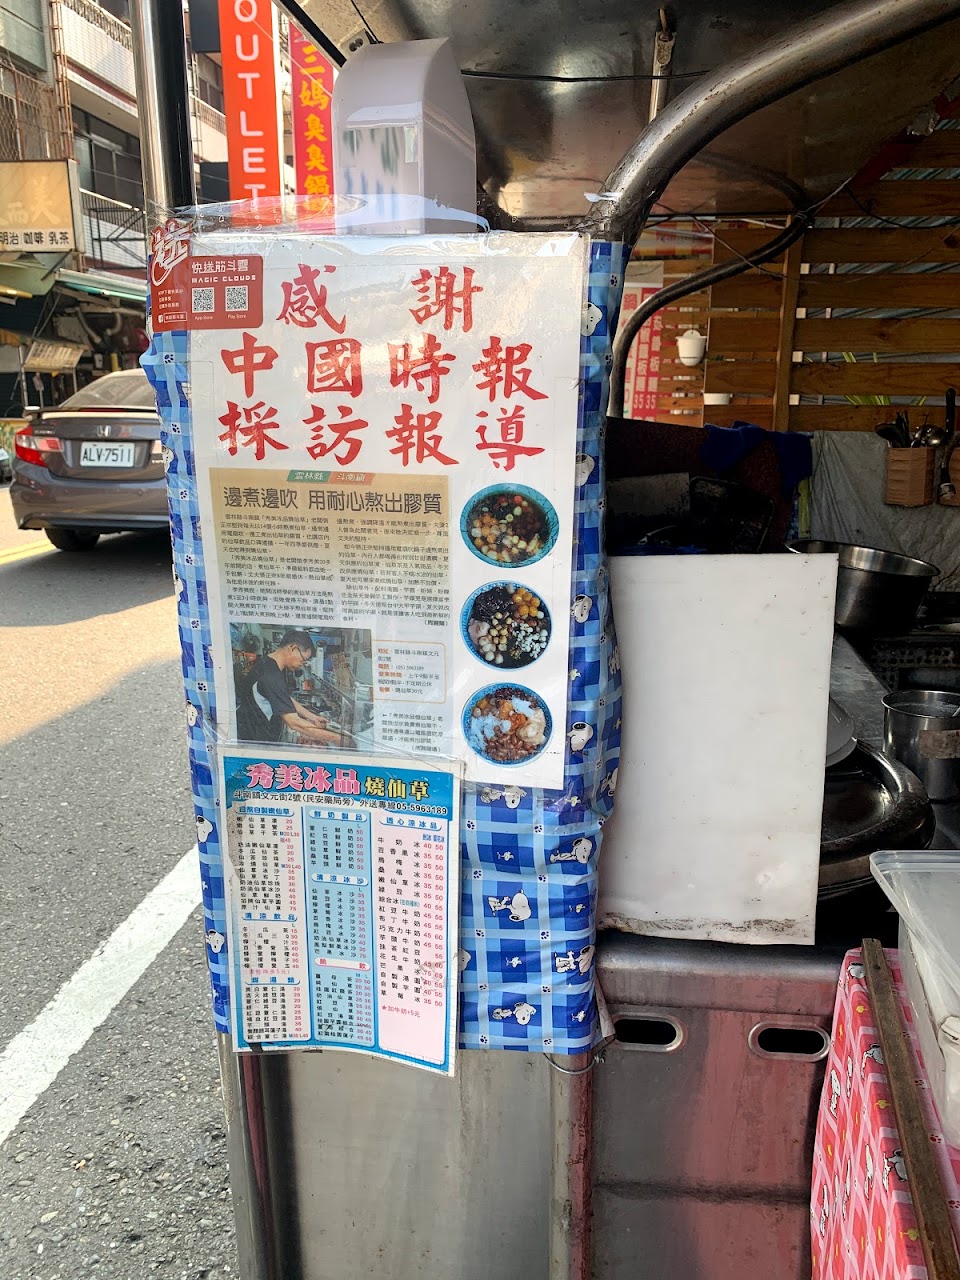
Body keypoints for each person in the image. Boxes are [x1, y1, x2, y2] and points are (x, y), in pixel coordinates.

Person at [236, 629, 340, 746]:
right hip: (256, 741)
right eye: (303, 660)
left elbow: (284, 697)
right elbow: (293, 722)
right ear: (293, 649)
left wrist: (313, 717)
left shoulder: (269, 664)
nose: (302, 665)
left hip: (257, 734)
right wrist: (336, 739)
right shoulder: (271, 676)